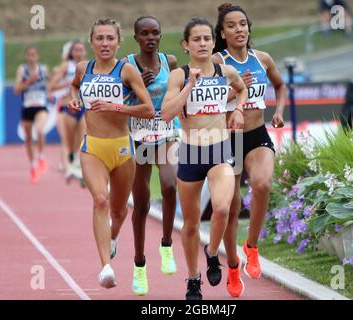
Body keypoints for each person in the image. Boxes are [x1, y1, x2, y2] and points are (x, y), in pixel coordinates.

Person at [162, 16, 247, 300]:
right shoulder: (179, 75)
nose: (202, 43)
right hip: (190, 152)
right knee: (190, 224)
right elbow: (166, 114)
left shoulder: (226, 71)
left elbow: (241, 89)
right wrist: (189, 85)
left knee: (222, 210)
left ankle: (212, 253)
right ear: (186, 45)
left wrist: (238, 109)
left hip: (221, 149)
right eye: (196, 39)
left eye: (207, 38)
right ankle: (193, 279)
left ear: (214, 41)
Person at [68, 18, 154, 289]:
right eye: (99, 38)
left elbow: (148, 109)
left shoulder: (126, 70)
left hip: (122, 148)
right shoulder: (84, 68)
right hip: (92, 147)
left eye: (110, 38)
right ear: (92, 41)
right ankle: (106, 266)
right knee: (100, 200)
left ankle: (113, 235)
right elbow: (74, 85)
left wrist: (114, 107)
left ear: (119, 42)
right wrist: (74, 98)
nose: (104, 43)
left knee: (118, 212)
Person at [212, 3, 286, 297]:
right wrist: (233, 90)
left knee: (263, 183)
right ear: (222, 32)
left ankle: (252, 246)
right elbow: (203, 103)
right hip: (225, 138)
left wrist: (278, 111)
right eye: (231, 25)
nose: (238, 29)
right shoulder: (217, 60)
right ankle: (232, 267)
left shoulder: (263, 58)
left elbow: (280, 86)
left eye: (242, 24)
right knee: (230, 207)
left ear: (248, 28)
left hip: (256, 133)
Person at [123, 16, 179, 296]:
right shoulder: (127, 66)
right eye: (144, 33)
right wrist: (137, 90)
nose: (150, 38)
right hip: (138, 136)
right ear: (135, 37)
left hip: (166, 132)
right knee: (142, 205)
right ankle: (139, 264)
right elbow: (117, 104)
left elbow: (179, 93)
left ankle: (167, 245)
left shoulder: (170, 61)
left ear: (160, 35)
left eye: (155, 32)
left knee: (170, 183)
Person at [49, 39, 87, 182]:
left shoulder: (88, 66)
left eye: (81, 50)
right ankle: (67, 168)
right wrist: (68, 84)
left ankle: (74, 164)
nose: (78, 53)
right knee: (67, 141)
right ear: (71, 52)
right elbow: (51, 87)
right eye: (75, 50)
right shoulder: (67, 66)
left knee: (82, 139)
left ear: (85, 51)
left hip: (83, 107)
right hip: (68, 107)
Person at [13, 45, 50, 183]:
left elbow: (50, 83)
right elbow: (16, 90)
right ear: (26, 56)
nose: (31, 57)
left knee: (40, 130)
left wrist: (50, 91)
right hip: (27, 107)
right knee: (28, 139)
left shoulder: (43, 69)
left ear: (37, 56)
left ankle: (41, 156)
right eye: (29, 55)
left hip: (41, 106)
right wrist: (29, 81)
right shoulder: (22, 70)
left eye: (34, 54)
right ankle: (33, 165)